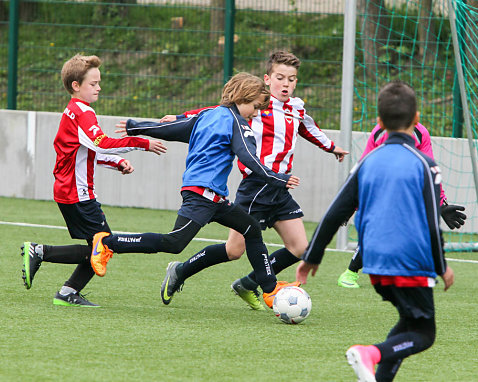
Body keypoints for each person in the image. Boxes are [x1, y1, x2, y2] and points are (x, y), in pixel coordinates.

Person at [137, 51, 349, 310]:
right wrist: (181, 118)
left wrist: (332, 147)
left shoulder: (296, 107)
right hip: (256, 187)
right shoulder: (256, 105)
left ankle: (249, 283)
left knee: (299, 247)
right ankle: (180, 271)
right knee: (233, 251)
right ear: (267, 79)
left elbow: (309, 129)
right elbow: (216, 112)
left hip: (280, 188)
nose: (286, 84)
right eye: (280, 78)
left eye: (291, 79)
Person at [90, 72, 301, 308]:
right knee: (174, 243)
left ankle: (270, 290)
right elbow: (250, 158)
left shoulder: (207, 114)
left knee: (251, 229)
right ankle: (109, 243)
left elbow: (175, 127)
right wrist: (279, 178)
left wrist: (136, 127)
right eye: (255, 107)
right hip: (203, 194)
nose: (256, 113)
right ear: (245, 97)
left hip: (212, 197)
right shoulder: (238, 124)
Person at [296, 80, 455, 382]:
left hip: (374, 263)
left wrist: (312, 256)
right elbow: (432, 223)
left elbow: (335, 213)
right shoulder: (426, 164)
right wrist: (442, 266)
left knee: (409, 323)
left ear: (379, 123)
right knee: (424, 333)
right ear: (417, 119)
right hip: (410, 262)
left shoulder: (366, 162)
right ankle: (370, 353)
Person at [20, 54, 166, 307]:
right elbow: (102, 143)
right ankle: (40, 252)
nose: (99, 88)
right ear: (76, 86)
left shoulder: (73, 111)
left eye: (99, 83)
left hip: (69, 191)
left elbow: (86, 153)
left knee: (98, 249)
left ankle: (67, 292)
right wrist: (142, 142)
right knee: (104, 245)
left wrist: (116, 162)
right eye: (93, 84)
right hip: (78, 194)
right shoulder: (82, 112)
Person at [337, 122, 466, 288]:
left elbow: (430, 168)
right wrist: (349, 204)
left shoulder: (421, 133)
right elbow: (364, 168)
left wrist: (441, 204)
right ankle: (350, 273)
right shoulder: (379, 132)